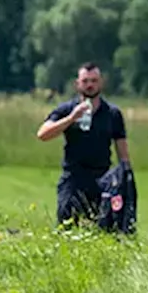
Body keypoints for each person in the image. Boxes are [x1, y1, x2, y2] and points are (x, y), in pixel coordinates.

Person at [35, 62, 131, 227]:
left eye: (94, 81)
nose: (90, 85)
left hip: (102, 178)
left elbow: (121, 147)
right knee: (66, 227)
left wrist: (126, 174)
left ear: (101, 83)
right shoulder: (67, 109)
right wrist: (71, 118)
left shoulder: (112, 114)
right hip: (73, 177)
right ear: (77, 84)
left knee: (104, 228)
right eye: (85, 81)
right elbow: (43, 134)